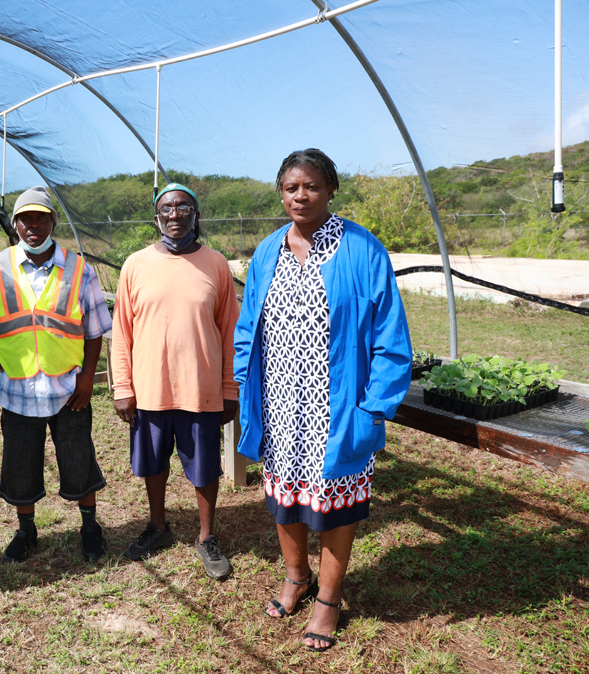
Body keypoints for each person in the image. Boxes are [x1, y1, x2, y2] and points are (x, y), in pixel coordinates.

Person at [233, 149, 412, 651]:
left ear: (331, 190)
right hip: (279, 403)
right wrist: (244, 382)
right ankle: (296, 577)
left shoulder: (361, 248)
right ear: (281, 193)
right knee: (285, 501)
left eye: (311, 186)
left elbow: (389, 334)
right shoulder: (268, 251)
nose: (300, 196)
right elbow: (249, 325)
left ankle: (328, 599)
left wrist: (374, 405)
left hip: (338, 407)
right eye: (291, 188)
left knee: (336, 506)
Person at [0, 186, 112, 563]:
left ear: (52, 221)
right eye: (25, 218)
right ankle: (26, 531)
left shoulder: (79, 269)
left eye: (41, 218)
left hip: (69, 388)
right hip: (18, 389)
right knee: (20, 466)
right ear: (15, 223)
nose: (33, 225)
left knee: (79, 460)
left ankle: (89, 527)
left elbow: (96, 329)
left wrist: (87, 379)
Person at [111, 182, 240, 581]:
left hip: (199, 388)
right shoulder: (135, 264)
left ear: (195, 214)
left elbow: (230, 331)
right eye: (167, 208)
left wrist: (229, 388)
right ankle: (158, 526)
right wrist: (123, 387)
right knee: (153, 463)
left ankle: (206, 536)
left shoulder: (216, 264)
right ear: (156, 217)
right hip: (149, 389)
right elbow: (122, 332)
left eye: (184, 207)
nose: (175, 215)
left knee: (204, 467)